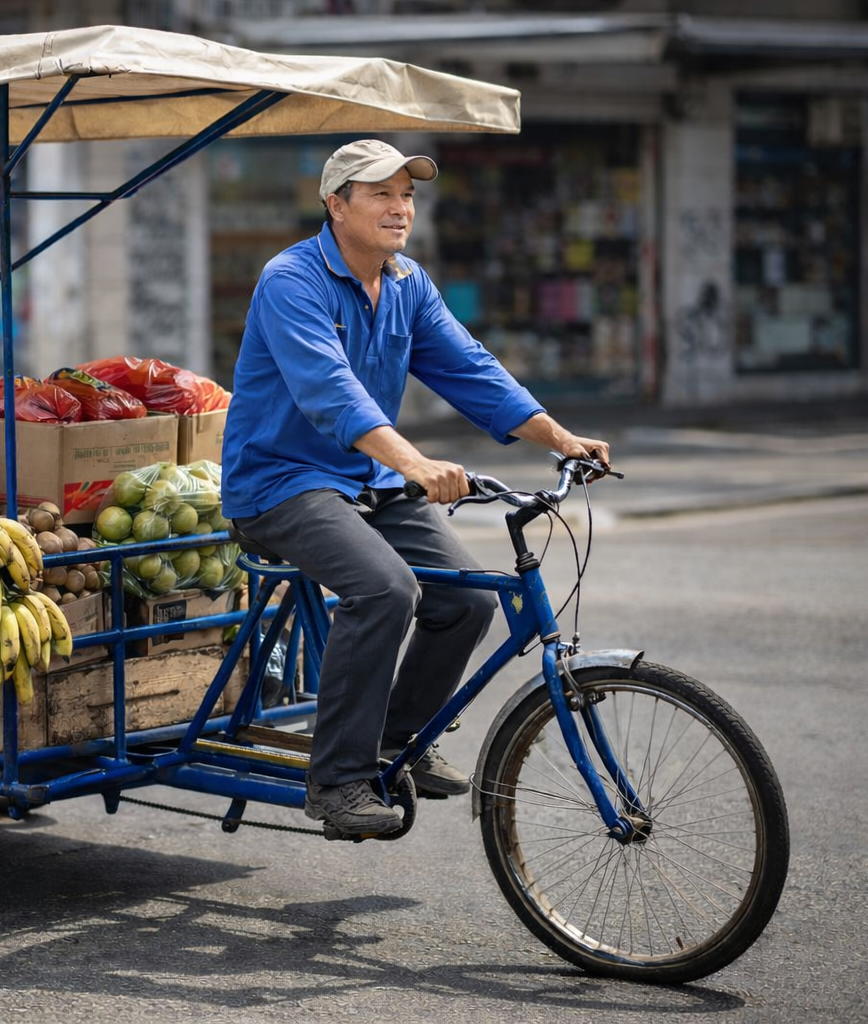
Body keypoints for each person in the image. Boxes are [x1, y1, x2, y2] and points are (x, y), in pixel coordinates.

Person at [220, 139, 611, 837]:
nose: (399, 208)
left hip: (366, 480)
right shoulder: (291, 280)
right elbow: (332, 394)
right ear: (335, 205)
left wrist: (563, 439)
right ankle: (337, 781)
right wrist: (413, 462)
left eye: (406, 195)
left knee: (464, 598)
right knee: (386, 589)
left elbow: (471, 368)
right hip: (281, 481)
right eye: (380, 194)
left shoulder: (406, 283)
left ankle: (396, 743)